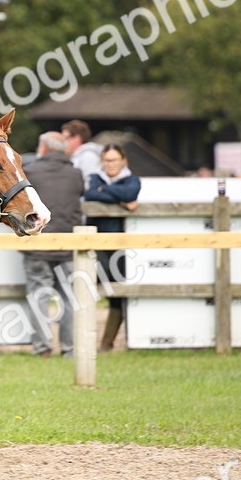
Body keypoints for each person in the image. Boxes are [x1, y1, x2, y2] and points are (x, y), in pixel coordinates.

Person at [20, 132, 83, 356]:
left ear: (44, 148)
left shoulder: (31, 172)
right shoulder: (76, 174)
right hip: (68, 245)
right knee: (68, 297)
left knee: (40, 296)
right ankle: (69, 348)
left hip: (37, 245)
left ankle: (42, 347)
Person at [84, 143, 141, 351]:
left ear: (123, 160)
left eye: (114, 160)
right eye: (107, 160)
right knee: (86, 292)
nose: (110, 164)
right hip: (95, 245)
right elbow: (90, 194)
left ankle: (106, 344)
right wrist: (123, 200)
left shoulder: (132, 179)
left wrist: (107, 192)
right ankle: (84, 343)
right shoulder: (94, 179)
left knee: (118, 295)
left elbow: (131, 192)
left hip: (121, 248)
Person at [61, 119, 102, 187]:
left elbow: (91, 185)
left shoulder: (88, 156)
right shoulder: (76, 156)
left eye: (65, 138)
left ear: (77, 138)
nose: (62, 142)